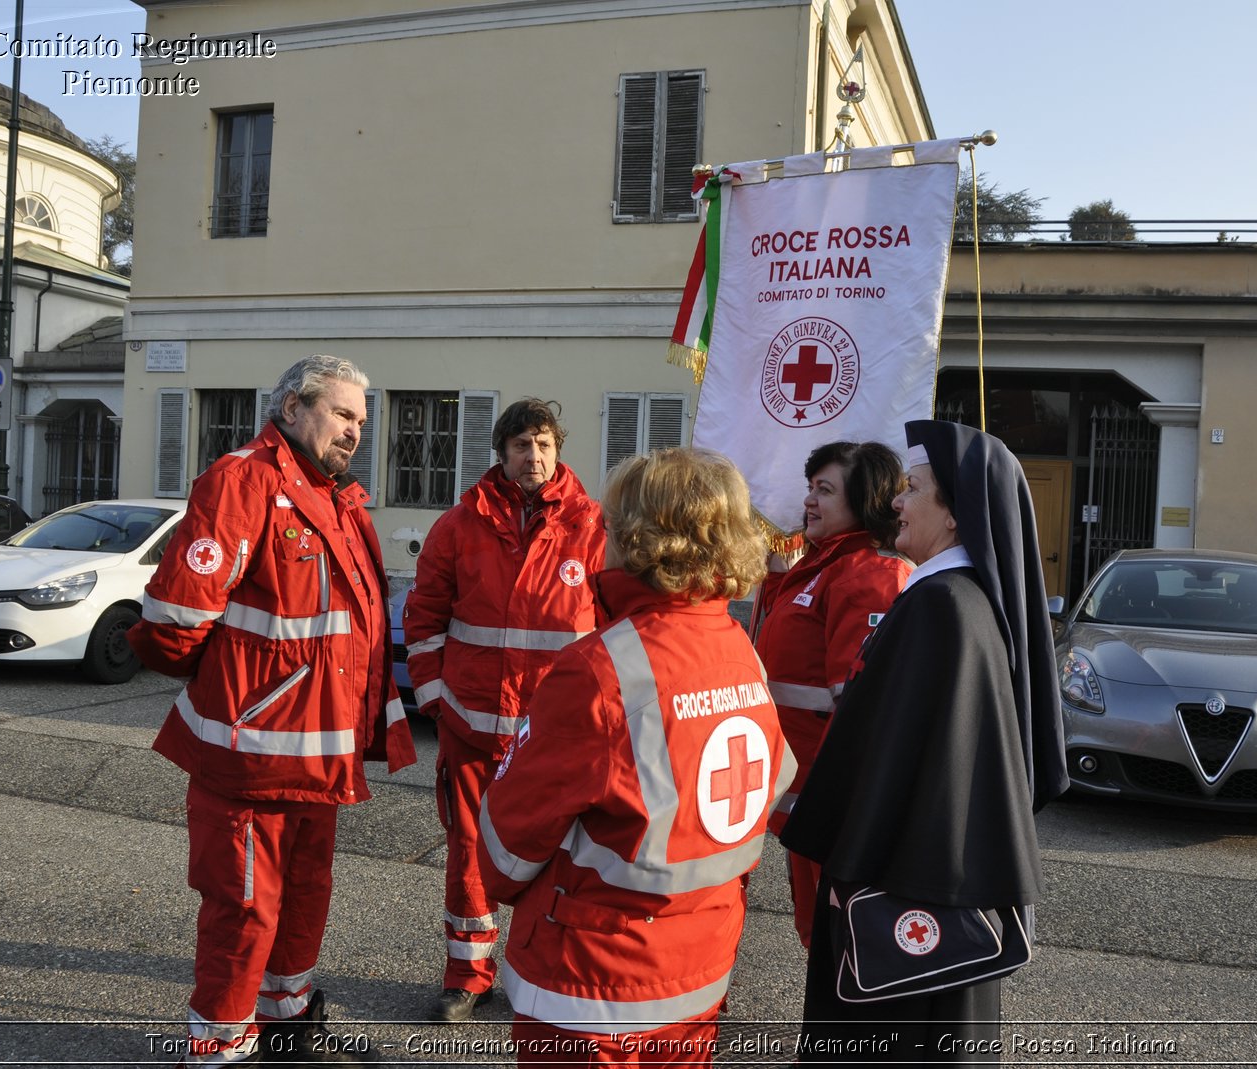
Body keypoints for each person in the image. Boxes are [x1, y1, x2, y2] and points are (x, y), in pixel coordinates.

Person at [129, 354, 417, 1065]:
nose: (355, 430)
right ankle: (219, 1052)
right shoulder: (245, 481)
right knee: (244, 914)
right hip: (251, 755)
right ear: (292, 408)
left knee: (304, 900)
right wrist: (242, 689)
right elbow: (171, 625)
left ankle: (288, 1030)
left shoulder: (338, 498)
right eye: (342, 413)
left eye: (361, 418)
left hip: (318, 757)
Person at [477, 447, 794, 1065]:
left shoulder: (601, 669)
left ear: (635, 538)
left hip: (594, 985)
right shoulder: (740, 648)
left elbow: (508, 848)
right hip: (700, 967)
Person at [780, 420, 1069, 1063]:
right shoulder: (955, 599)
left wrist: (848, 865)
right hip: (928, 879)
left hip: (905, 887)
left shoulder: (941, 606)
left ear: (957, 515)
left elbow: (900, 766)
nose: (895, 503)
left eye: (912, 489)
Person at [403, 397, 606, 1023]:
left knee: (561, 857)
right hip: (470, 727)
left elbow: (618, 625)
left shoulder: (594, 527)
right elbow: (425, 616)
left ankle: (542, 975)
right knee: (468, 852)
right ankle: (468, 976)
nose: (534, 456)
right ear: (502, 453)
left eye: (544, 444)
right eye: (522, 445)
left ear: (559, 449)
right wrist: (434, 694)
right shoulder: (459, 525)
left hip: (554, 737)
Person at [751, 441, 909, 948]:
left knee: (840, 935)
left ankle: (848, 1029)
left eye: (825, 490)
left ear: (863, 500)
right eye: (809, 488)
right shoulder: (823, 565)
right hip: (806, 797)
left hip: (829, 800)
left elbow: (859, 712)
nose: (809, 501)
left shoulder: (869, 576)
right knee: (818, 929)